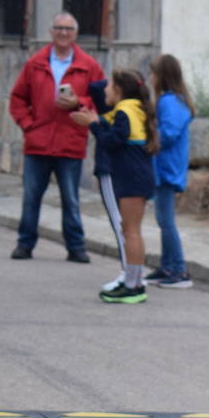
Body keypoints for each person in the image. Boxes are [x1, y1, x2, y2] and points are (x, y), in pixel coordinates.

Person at [8, 12, 105, 262]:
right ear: (51, 32)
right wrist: (29, 126)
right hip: (37, 143)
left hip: (70, 142)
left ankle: (76, 247)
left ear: (75, 34)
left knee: (71, 199)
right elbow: (18, 99)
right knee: (31, 197)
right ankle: (25, 244)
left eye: (68, 29)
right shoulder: (35, 63)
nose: (63, 33)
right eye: (59, 28)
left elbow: (101, 101)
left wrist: (78, 102)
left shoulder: (89, 66)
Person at [72, 69, 158, 303]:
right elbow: (113, 128)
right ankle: (134, 281)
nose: (105, 90)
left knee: (131, 232)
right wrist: (94, 120)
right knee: (130, 230)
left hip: (132, 177)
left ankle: (133, 286)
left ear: (119, 90)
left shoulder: (124, 111)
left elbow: (111, 141)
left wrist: (93, 125)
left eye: (109, 86)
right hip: (137, 176)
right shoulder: (133, 108)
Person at [144, 54, 193, 288]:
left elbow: (169, 133)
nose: (150, 77)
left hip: (166, 169)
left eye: (153, 73)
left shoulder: (169, 101)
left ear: (162, 75)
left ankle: (178, 270)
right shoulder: (175, 100)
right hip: (168, 168)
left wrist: (148, 139)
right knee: (163, 220)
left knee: (166, 221)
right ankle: (167, 266)